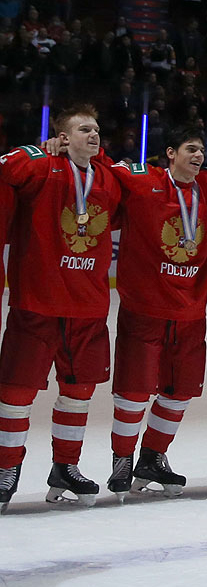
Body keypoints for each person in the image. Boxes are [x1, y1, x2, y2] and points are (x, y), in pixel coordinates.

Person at [0, 105, 123, 509]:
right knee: (16, 393)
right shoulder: (39, 167)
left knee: (78, 393)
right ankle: (6, 468)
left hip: (87, 308)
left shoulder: (107, 177)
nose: (94, 134)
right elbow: (5, 168)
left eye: (97, 129)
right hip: (38, 303)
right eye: (84, 129)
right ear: (62, 137)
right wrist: (37, 149)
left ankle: (65, 466)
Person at [104, 126, 207, 499]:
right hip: (144, 309)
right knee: (133, 391)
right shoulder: (142, 180)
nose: (198, 156)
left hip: (191, 313)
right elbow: (98, 168)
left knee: (178, 393)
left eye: (201, 151)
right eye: (190, 149)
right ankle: (122, 461)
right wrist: (57, 147)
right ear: (169, 153)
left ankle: (153, 456)